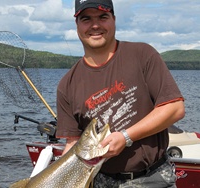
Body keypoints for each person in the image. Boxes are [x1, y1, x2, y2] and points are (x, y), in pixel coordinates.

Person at [56, 0, 185, 187]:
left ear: (114, 20)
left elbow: (175, 108)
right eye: (86, 19)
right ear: (77, 25)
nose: (95, 25)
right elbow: (72, 144)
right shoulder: (66, 85)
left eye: (102, 17)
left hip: (154, 178)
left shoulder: (142, 54)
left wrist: (126, 137)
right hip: (103, 181)